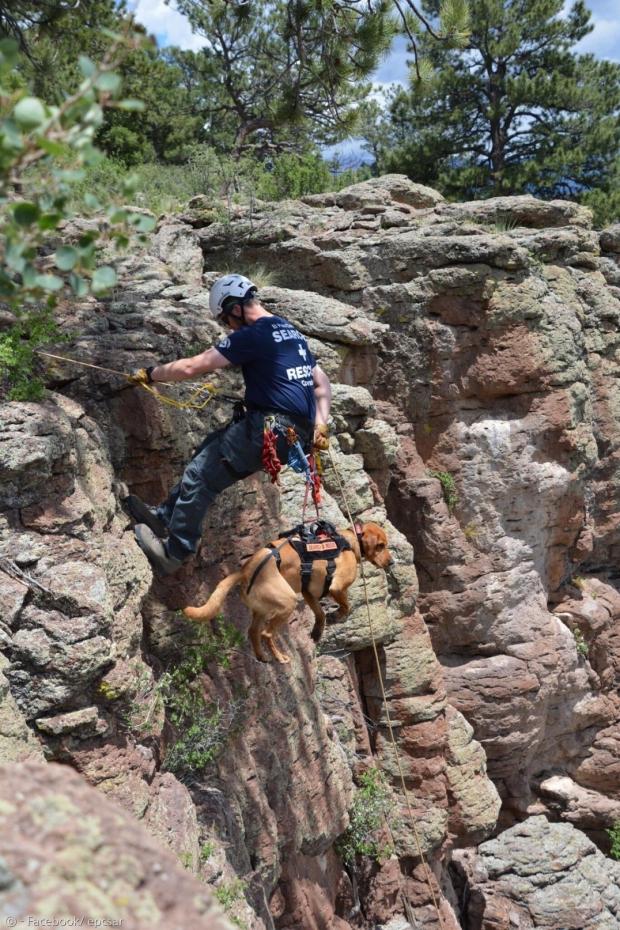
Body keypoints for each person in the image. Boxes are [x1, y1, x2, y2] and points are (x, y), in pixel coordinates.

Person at [125, 274, 332, 576]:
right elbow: (321, 381)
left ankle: (175, 551)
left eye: (226, 319)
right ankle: (165, 516)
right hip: (291, 432)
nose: (228, 327)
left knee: (201, 477)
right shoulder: (289, 330)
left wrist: (151, 373)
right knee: (209, 448)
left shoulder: (253, 334)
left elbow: (193, 366)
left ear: (235, 308)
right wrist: (320, 424)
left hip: (269, 429)